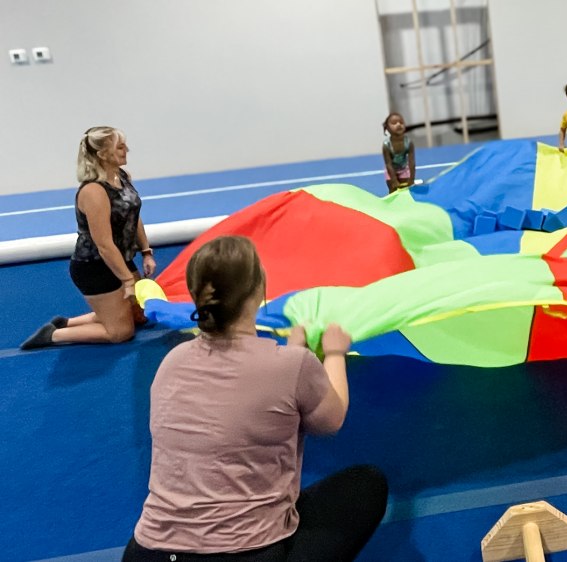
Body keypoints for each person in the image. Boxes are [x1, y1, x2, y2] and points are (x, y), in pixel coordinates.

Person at [123, 236, 388, 561]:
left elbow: (241, 395)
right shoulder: (291, 367)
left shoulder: (172, 362)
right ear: (259, 291)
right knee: (366, 485)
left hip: (149, 551)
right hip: (243, 555)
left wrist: (294, 355)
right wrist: (334, 353)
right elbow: (332, 419)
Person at [21, 126, 156, 350]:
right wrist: (128, 281)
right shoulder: (93, 191)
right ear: (103, 154)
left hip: (120, 259)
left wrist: (146, 252)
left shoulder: (122, 177)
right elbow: (103, 245)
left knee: (140, 316)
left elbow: (134, 216)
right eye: (120, 147)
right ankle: (54, 335)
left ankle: (68, 322)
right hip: (94, 266)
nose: (127, 150)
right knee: (121, 332)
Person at [382, 112, 416, 194]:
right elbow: (388, 164)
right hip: (391, 170)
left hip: (404, 169)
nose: (398, 124)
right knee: (393, 190)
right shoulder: (386, 145)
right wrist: (393, 179)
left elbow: (412, 162)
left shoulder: (408, 143)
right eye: (394, 123)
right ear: (387, 128)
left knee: (405, 191)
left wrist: (412, 178)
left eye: (401, 122)